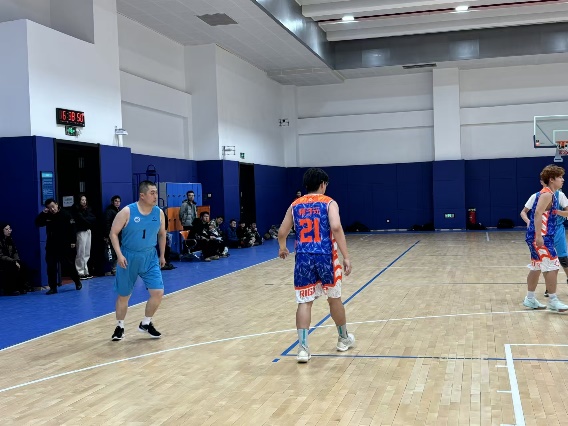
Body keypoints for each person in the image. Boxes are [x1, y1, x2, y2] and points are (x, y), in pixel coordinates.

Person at [278, 167, 355, 363]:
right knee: (334, 299)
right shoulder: (329, 202)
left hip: (303, 258)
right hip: (325, 256)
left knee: (304, 302)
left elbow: (282, 232)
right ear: (322, 184)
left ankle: (303, 349)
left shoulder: (295, 205)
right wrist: (346, 256)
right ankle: (343, 339)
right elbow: (336, 227)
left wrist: (282, 247)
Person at [109, 181, 167, 341]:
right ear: (142, 195)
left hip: (150, 257)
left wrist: (162, 255)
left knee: (158, 292)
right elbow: (113, 233)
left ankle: (146, 323)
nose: (156, 196)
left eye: (156, 192)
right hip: (129, 257)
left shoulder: (159, 213)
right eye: (152, 193)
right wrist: (119, 255)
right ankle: (120, 326)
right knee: (124, 295)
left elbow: (162, 234)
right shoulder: (127, 211)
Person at [523, 165, 568, 312]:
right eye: (560, 177)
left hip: (538, 235)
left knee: (536, 267)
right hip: (542, 236)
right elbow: (537, 214)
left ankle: (530, 298)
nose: (562, 179)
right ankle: (553, 300)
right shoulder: (547, 194)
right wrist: (538, 236)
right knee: (553, 266)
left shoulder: (550, 194)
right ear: (552, 179)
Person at [35, 199, 82, 295]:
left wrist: (73, 241)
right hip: (51, 245)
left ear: (56, 204)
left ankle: (77, 281)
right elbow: (38, 223)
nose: (52, 209)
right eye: (49, 208)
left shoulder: (66, 214)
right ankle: (53, 287)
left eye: (53, 206)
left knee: (69, 265)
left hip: (64, 244)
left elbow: (73, 228)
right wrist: (43, 213)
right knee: (51, 267)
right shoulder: (47, 215)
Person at [0, 223, 31, 295]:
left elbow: (15, 252)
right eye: (6, 229)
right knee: (12, 266)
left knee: (23, 265)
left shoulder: (10, 240)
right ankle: (10, 289)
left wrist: (17, 260)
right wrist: (13, 261)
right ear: (2, 230)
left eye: (10, 229)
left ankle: (21, 287)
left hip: (11, 260)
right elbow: (1, 256)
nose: (9, 231)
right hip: (2, 261)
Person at [74, 194, 97, 279]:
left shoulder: (88, 209)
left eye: (85, 200)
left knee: (87, 252)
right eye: (82, 200)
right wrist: (88, 220)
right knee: (81, 251)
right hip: (81, 231)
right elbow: (81, 219)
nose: (84, 201)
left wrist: (87, 220)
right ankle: (79, 272)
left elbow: (93, 218)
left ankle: (85, 270)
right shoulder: (75, 209)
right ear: (79, 201)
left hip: (88, 231)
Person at [104, 195, 121, 276]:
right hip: (112, 235)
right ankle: (114, 269)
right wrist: (107, 235)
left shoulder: (119, 211)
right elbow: (107, 223)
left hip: (119, 234)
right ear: (112, 202)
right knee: (113, 252)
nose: (117, 203)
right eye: (116, 201)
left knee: (119, 251)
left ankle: (118, 268)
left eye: (119, 201)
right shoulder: (109, 211)